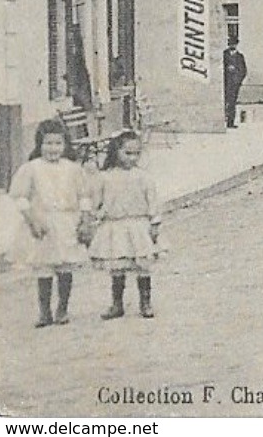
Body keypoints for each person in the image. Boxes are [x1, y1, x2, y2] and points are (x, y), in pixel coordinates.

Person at [10, 120, 91, 327]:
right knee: (44, 267)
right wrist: (32, 220)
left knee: (65, 266)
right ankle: (44, 311)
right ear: (39, 144)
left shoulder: (73, 169)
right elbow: (21, 197)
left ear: (65, 145)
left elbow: (84, 196)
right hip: (43, 223)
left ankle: (62, 308)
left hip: (67, 222)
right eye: (47, 143)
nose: (52, 148)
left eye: (57, 143)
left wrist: (85, 220)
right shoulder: (32, 168)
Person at [89, 131, 163, 320]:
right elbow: (96, 202)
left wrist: (154, 223)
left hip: (138, 225)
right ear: (115, 152)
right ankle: (117, 304)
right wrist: (95, 216)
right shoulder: (105, 177)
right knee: (118, 266)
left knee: (142, 265)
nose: (132, 158)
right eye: (127, 153)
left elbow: (153, 202)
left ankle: (145, 302)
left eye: (136, 154)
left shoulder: (143, 177)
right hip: (115, 226)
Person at [223, 37, 248, 129]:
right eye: (230, 44)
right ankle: (221, 121)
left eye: (234, 44)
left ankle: (230, 122)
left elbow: (243, 71)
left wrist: (238, 81)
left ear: (236, 45)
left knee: (232, 103)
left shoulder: (240, 57)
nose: (232, 45)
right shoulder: (224, 55)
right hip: (224, 83)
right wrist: (227, 69)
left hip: (234, 84)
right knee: (223, 102)